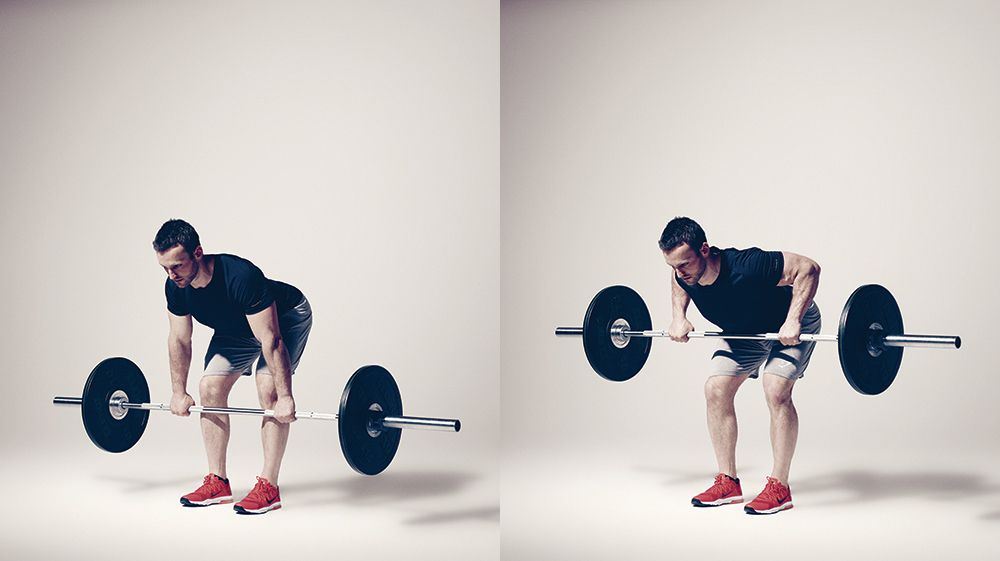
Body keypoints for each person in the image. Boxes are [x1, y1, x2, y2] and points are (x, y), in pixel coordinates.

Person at [659, 217, 821, 515]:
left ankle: (779, 488)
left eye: (685, 264)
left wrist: (793, 319)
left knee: (775, 389)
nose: (680, 273)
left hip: (788, 327)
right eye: (673, 266)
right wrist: (678, 315)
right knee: (715, 389)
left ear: (705, 249)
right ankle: (728, 482)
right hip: (744, 332)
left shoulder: (748, 265)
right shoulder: (684, 273)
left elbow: (808, 268)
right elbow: (678, 278)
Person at [153, 219, 312, 515]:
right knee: (208, 387)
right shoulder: (176, 287)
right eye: (165, 268)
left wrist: (286, 396)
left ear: (198, 253)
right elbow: (179, 339)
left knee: (269, 390)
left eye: (177, 265)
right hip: (236, 327)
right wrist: (178, 391)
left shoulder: (241, 276)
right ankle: (218, 482)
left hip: (284, 317)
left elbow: (272, 339)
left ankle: (269, 487)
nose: (171, 274)